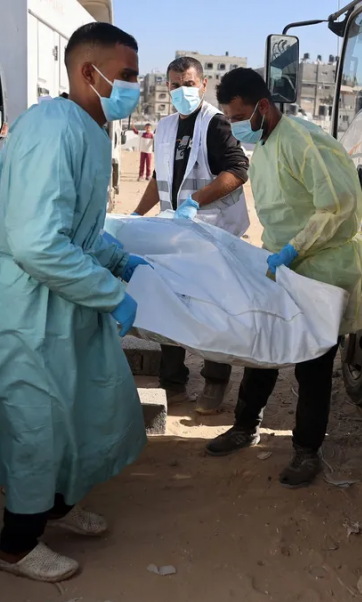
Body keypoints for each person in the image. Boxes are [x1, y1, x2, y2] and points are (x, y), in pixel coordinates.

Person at [0, 22, 148, 582]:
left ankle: (57, 509)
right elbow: (35, 241)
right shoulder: (53, 129)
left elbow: (77, 229)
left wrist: (117, 258)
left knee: (77, 412)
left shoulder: (90, 131)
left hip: (58, 306)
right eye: (126, 78)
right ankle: (17, 547)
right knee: (37, 427)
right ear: (85, 72)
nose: (133, 90)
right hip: (26, 309)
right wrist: (109, 292)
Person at [209, 68, 362, 487]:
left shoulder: (302, 140)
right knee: (262, 347)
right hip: (283, 264)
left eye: (238, 116)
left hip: (319, 267)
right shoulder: (264, 145)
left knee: (313, 364)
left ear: (262, 107)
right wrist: (276, 255)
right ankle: (245, 426)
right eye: (229, 118)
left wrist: (294, 249)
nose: (235, 126)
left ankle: (306, 450)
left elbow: (337, 205)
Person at [132, 56, 251, 413]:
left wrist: (195, 202)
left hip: (213, 234)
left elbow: (239, 170)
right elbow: (160, 178)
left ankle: (215, 381)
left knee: (212, 309)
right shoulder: (166, 127)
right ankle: (173, 382)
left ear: (202, 85)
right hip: (175, 233)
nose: (181, 90)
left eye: (188, 83)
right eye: (174, 84)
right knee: (169, 305)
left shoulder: (215, 124)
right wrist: (138, 214)